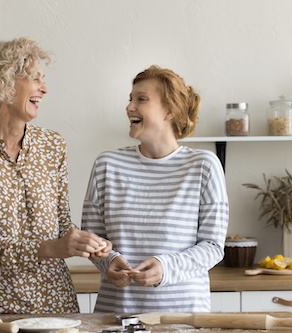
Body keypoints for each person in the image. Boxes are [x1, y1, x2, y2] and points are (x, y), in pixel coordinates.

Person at [0, 37, 110, 314]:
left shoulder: (52, 145)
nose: (44, 89)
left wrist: (85, 243)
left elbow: (60, 226)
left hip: (52, 302)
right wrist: (52, 248)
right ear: (3, 83)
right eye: (35, 79)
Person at [81, 65, 229, 313]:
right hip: (116, 316)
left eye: (142, 99)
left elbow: (213, 247)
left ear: (169, 110)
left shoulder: (204, 166)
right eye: (130, 99)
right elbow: (93, 238)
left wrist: (166, 268)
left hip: (183, 320)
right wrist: (110, 260)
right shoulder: (107, 165)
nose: (129, 107)